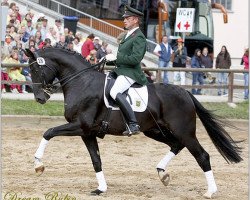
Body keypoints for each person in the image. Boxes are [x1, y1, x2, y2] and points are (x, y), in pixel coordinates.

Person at [108, 5, 148, 136]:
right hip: (121, 70)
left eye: (127, 18)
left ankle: (133, 124)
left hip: (131, 73)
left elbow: (135, 59)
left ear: (135, 20)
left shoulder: (139, 37)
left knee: (115, 91)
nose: (124, 20)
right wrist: (109, 59)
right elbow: (123, 57)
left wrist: (117, 57)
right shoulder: (128, 35)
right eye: (124, 18)